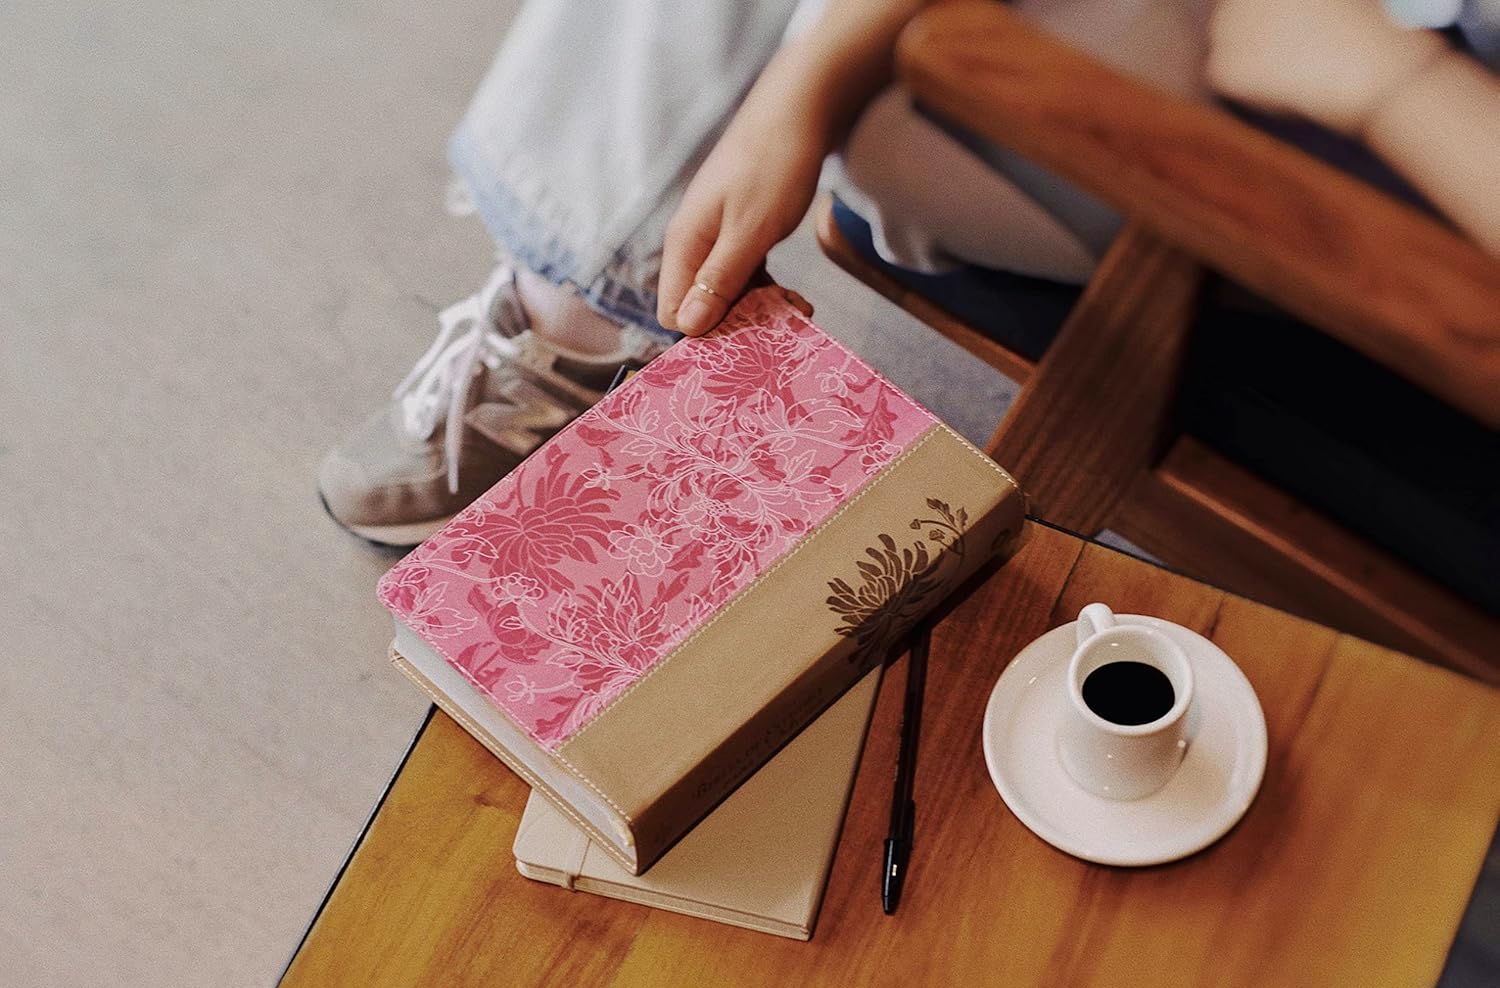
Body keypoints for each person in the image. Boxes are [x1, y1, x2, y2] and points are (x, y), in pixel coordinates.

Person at [318, 0, 1498, 546]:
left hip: (1360, 175)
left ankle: (575, 308)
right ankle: (582, 286)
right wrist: (817, 64)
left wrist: (1398, 88)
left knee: (873, 87)